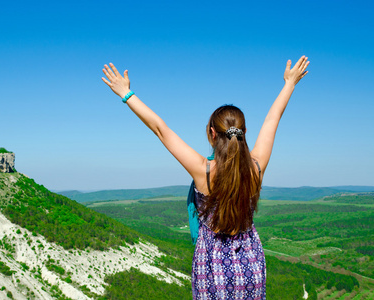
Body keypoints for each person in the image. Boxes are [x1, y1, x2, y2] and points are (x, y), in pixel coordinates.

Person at [102, 56, 309, 300]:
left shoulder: (204, 171)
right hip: (251, 261)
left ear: (212, 133)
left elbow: (161, 129)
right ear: (244, 134)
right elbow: (273, 119)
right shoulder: (256, 168)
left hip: (212, 267)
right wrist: (289, 83)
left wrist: (127, 94)